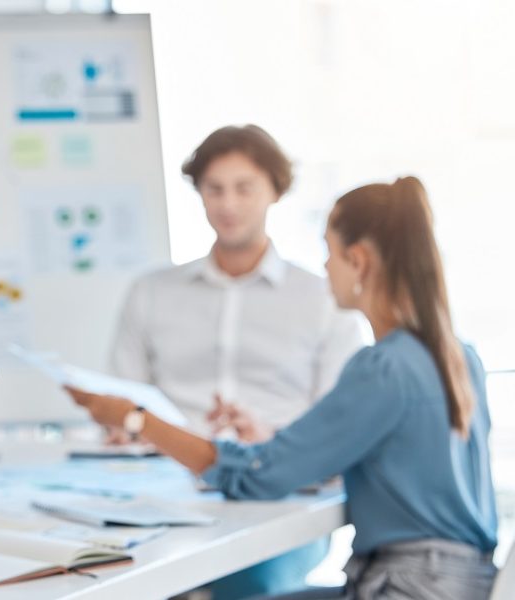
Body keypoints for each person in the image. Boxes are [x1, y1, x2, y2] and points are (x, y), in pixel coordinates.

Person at [70, 176, 499, 600]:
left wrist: (134, 418)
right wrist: (279, 443)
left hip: (404, 590)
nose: (325, 268)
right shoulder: (458, 355)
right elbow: (395, 459)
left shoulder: (382, 369)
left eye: (327, 253)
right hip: (458, 584)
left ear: (359, 261)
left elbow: (258, 477)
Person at [97, 125, 365, 597]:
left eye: (245, 188)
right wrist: (121, 424)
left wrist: (272, 441)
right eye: (214, 189)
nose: (228, 204)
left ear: (274, 192)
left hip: (278, 498)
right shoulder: (152, 292)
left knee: (246, 586)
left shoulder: (323, 298)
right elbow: (125, 397)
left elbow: (336, 429)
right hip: (160, 493)